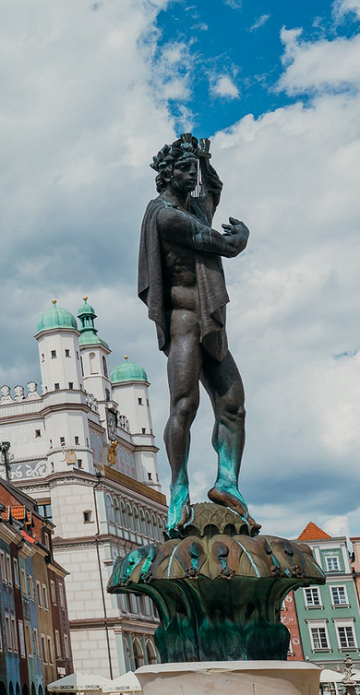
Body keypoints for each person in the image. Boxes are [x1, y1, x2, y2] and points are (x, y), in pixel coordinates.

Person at [138, 134, 256, 535]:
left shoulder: (195, 207)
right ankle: (178, 488)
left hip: (211, 321)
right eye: (186, 169)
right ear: (167, 173)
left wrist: (205, 159)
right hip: (184, 321)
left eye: (195, 169)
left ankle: (227, 483)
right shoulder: (166, 215)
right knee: (184, 405)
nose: (194, 175)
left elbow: (214, 190)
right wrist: (240, 239)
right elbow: (218, 242)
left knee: (233, 405)